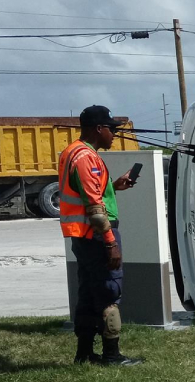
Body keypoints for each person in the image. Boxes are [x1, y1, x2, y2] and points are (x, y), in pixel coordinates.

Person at [58, 105, 143, 366]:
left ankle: (84, 354)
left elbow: (89, 195)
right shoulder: (86, 158)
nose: (114, 134)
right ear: (98, 129)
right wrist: (110, 244)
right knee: (109, 291)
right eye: (111, 128)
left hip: (82, 237)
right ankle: (111, 355)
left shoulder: (72, 153)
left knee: (88, 293)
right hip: (96, 235)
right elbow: (95, 208)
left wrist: (113, 186)